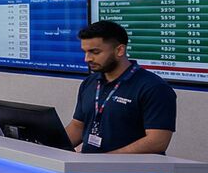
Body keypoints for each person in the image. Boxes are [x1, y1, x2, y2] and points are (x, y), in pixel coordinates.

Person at [65, 20, 176, 154]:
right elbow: (78, 126)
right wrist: (49, 147)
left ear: (120, 50)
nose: (87, 59)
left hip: (131, 172)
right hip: (89, 169)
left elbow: (157, 141)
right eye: (85, 52)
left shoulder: (154, 87)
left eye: (95, 52)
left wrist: (106, 160)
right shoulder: (90, 83)